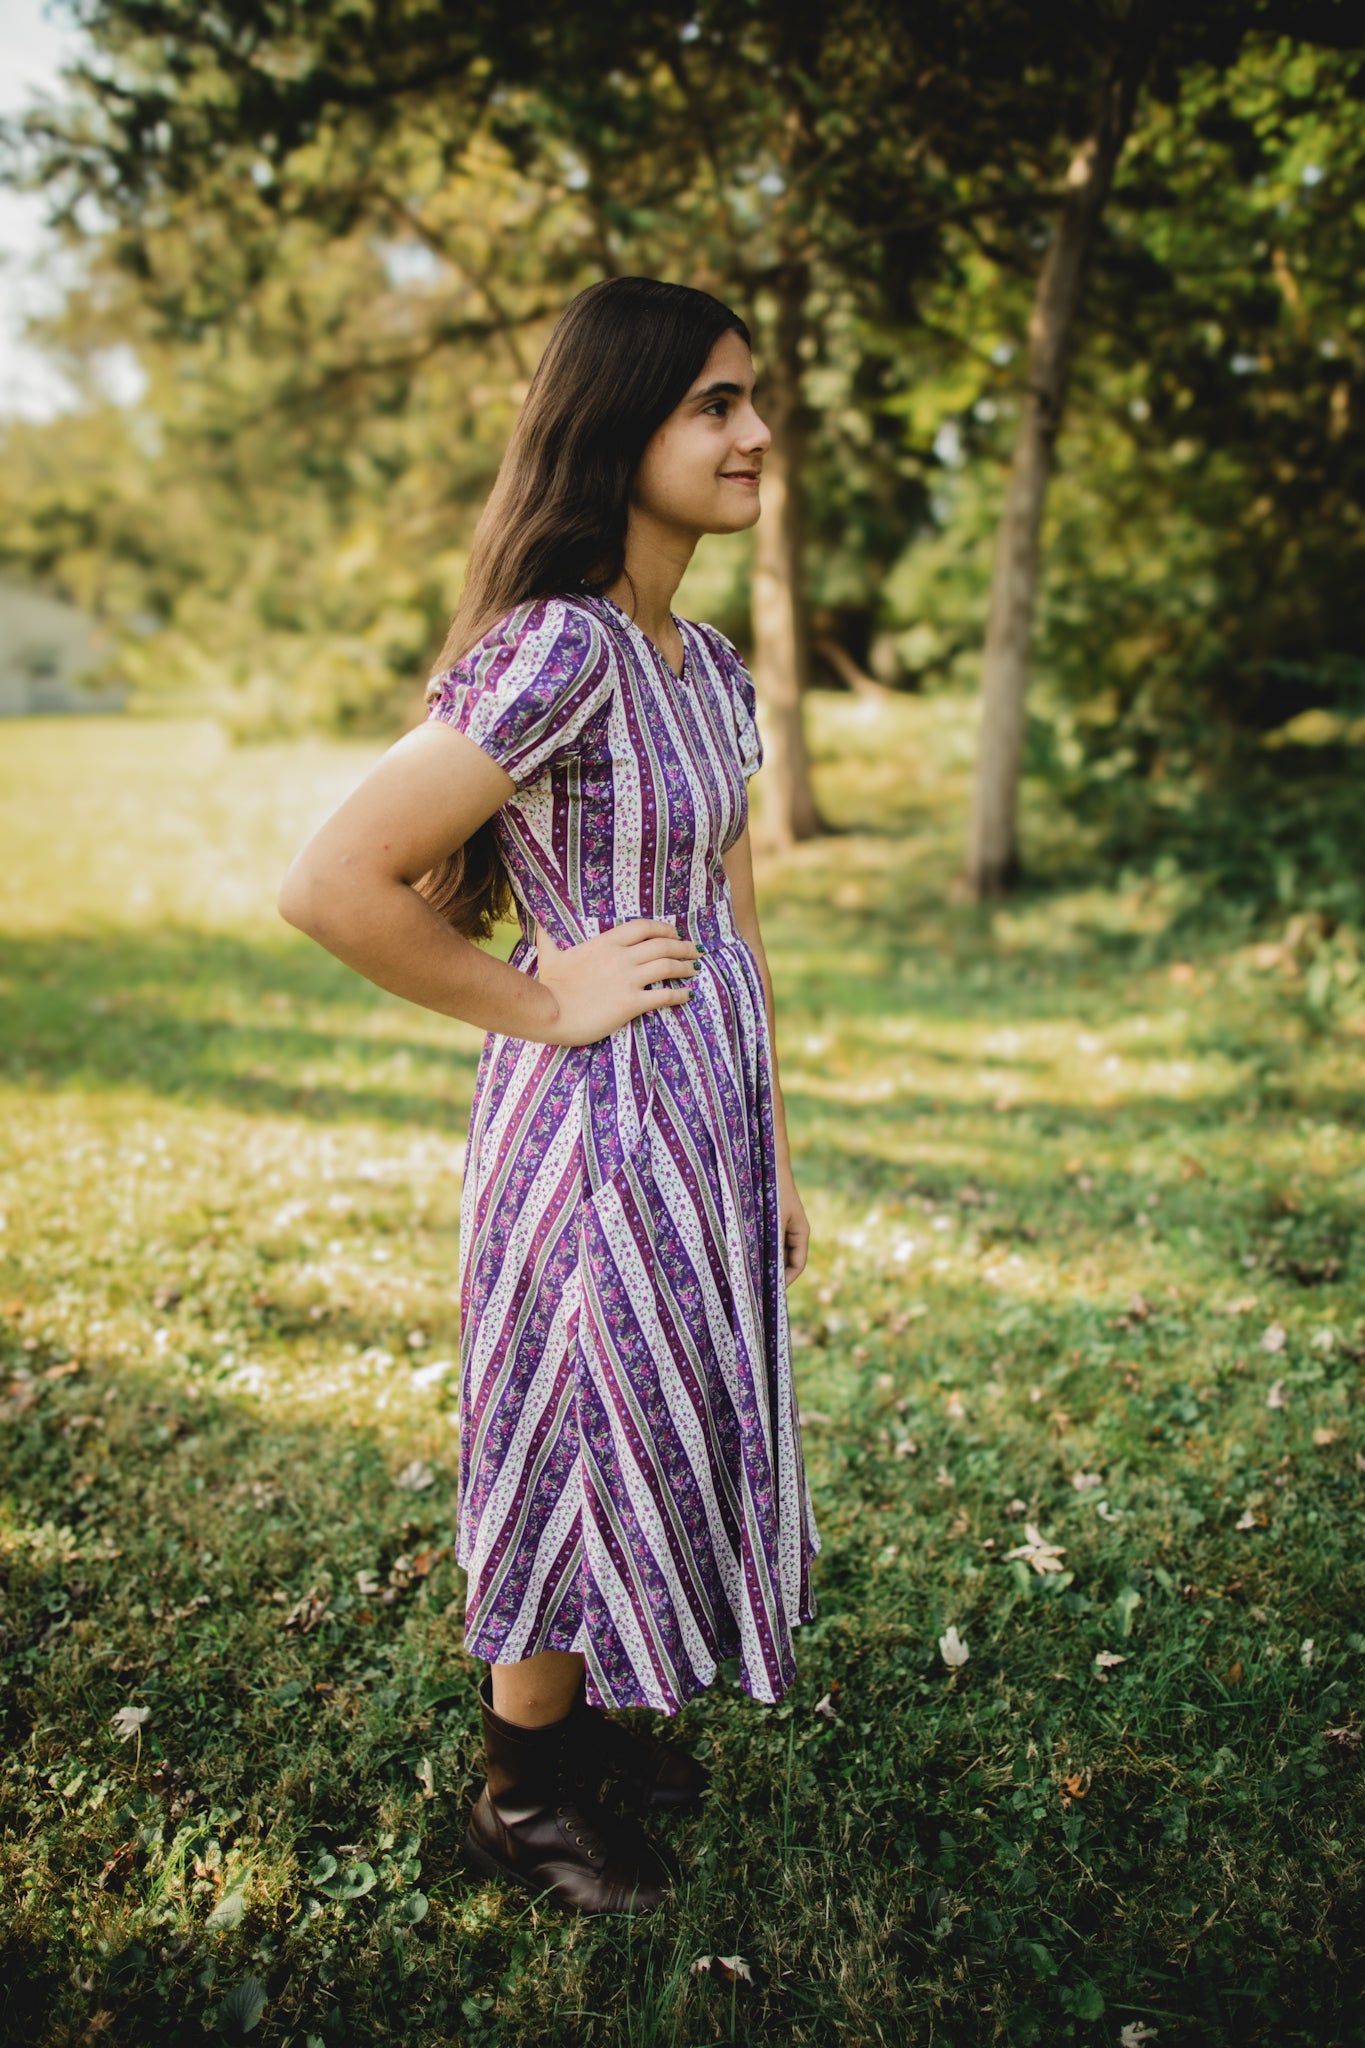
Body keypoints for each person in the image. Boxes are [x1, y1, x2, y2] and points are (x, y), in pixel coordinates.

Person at [278, 275, 820, 1916]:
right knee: (574, 1426)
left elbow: (732, 917)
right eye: (710, 405)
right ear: (617, 431)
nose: (752, 432)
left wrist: (774, 1146)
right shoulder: (559, 649)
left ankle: (607, 1719)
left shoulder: (707, 664)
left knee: (666, 1412)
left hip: (704, 1108)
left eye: (752, 399)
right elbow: (333, 880)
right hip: (589, 1129)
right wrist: (540, 999)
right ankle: (521, 1795)